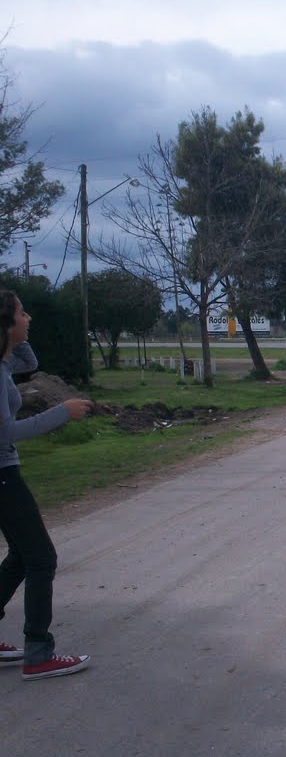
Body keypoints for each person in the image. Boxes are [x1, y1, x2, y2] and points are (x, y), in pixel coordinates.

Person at [0, 290, 94, 680]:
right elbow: (6, 431)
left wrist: (12, 341)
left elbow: (29, 361)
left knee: (23, 556)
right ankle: (38, 653)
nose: (30, 318)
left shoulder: (3, 365)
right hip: (2, 475)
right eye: (22, 313)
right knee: (42, 558)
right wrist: (62, 412)